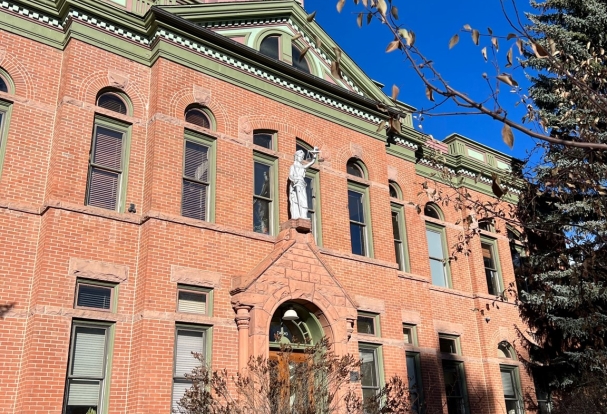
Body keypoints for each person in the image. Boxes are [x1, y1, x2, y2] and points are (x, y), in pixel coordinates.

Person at [288, 149, 318, 219]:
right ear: (296, 156)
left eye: (302, 157)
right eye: (300, 156)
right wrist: (294, 180)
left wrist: (314, 156)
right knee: (298, 199)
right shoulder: (293, 166)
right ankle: (299, 215)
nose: (301, 158)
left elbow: (311, 162)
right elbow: (290, 175)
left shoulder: (302, 166)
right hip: (297, 183)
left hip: (302, 184)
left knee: (304, 200)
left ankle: (303, 215)